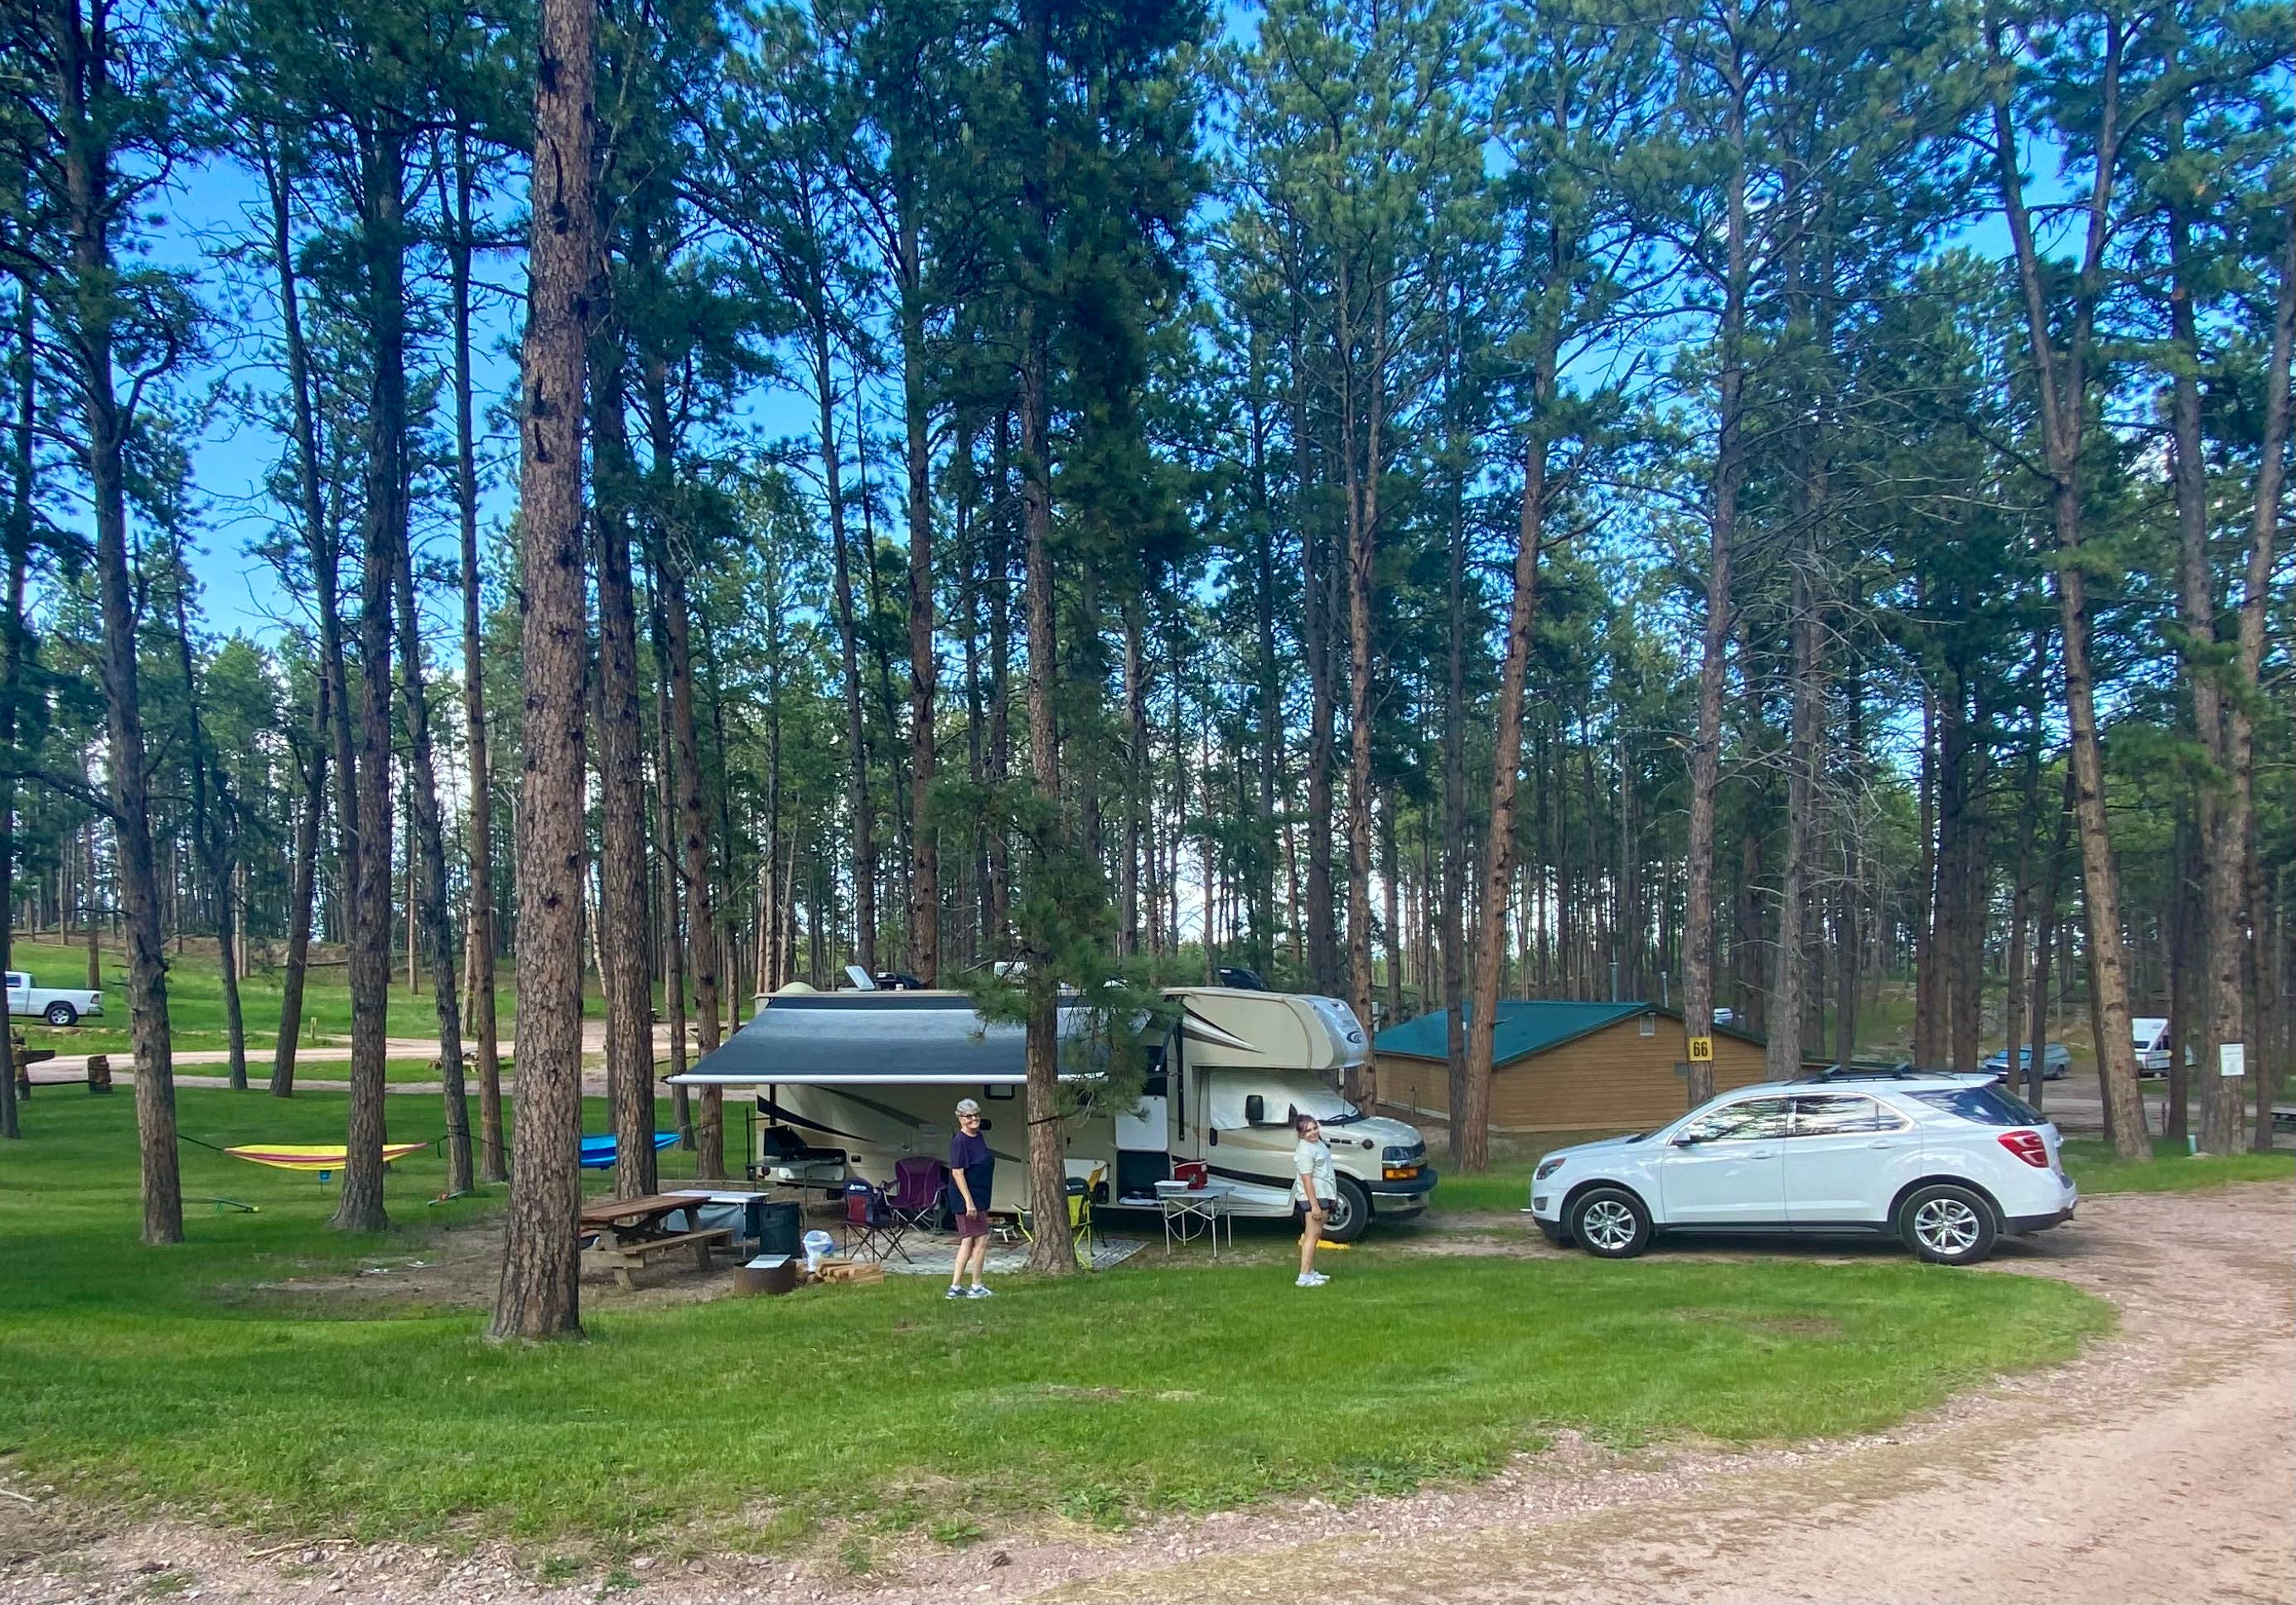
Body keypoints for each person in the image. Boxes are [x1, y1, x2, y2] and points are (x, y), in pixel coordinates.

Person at [946, 1098, 995, 1299]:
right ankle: (975, 1286)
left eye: (976, 1115)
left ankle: (956, 1288)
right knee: (980, 1239)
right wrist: (969, 1202)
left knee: (968, 1240)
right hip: (968, 1199)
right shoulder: (960, 1141)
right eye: (969, 1116)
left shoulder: (978, 1136)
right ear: (960, 1119)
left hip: (980, 1195)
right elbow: (957, 1173)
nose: (974, 1119)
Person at [1292, 1110, 1336, 1288]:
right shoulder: (1304, 1150)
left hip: (1324, 1193)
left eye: (1314, 1128)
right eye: (1308, 1131)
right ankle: (1304, 1276)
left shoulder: (1318, 1144)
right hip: (1313, 1197)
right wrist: (1314, 1205)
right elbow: (1306, 1179)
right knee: (1311, 1235)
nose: (1313, 1132)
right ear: (1301, 1134)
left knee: (1317, 1233)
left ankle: (1310, 1270)